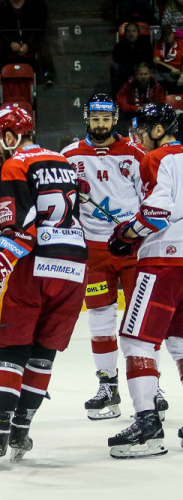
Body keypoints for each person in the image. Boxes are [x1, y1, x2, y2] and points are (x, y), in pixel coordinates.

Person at [0, 105, 87, 464]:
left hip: (34, 266)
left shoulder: (14, 164)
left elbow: (22, 228)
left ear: (10, 135)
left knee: (12, 351)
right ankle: (22, 430)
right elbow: (50, 206)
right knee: (43, 354)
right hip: (73, 266)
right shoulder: (63, 161)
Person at [60, 93, 165, 421]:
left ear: (114, 119)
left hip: (133, 246)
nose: (101, 123)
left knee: (143, 320)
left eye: (107, 118)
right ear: (87, 118)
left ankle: (152, 386)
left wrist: (135, 231)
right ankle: (108, 385)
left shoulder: (135, 154)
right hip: (93, 251)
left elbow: (150, 199)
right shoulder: (69, 156)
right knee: (100, 317)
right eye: (96, 117)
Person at [106, 103, 183, 459]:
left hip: (163, 261)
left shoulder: (156, 159)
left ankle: (148, 425)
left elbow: (156, 212)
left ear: (158, 130)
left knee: (135, 339)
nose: (137, 136)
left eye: (142, 129)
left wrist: (127, 233)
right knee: (180, 342)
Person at [0, 0, 56, 85]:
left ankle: (48, 74)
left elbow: (40, 29)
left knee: (42, 42)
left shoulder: (38, 4)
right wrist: (11, 42)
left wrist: (27, 44)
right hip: (7, 41)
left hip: (30, 40)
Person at [116, 62, 166, 130]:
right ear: (135, 75)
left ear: (150, 74)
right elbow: (121, 103)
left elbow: (162, 104)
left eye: (145, 74)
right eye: (140, 74)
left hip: (151, 115)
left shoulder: (156, 87)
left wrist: (150, 108)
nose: (143, 77)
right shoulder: (128, 86)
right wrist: (136, 108)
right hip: (132, 115)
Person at [111, 21, 153, 97]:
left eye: (133, 31)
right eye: (128, 31)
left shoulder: (145, 44)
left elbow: (148, 59)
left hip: (142, 68)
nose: (131, 34)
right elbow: (117, 59)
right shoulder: (119, 46)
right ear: (125, 34)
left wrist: (139, 69)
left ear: (138, 33)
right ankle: (117, 95)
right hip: (126, 69)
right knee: (115, 67)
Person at [152, 24, 183, 93]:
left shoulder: (181, 43)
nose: (167, 37)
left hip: (179, 71)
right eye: (165, 35)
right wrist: (171, 68)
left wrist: (182, 76)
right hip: (165, 71)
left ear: (174, 34)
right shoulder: (159, 44)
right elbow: (156, 61)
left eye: (169, 35)